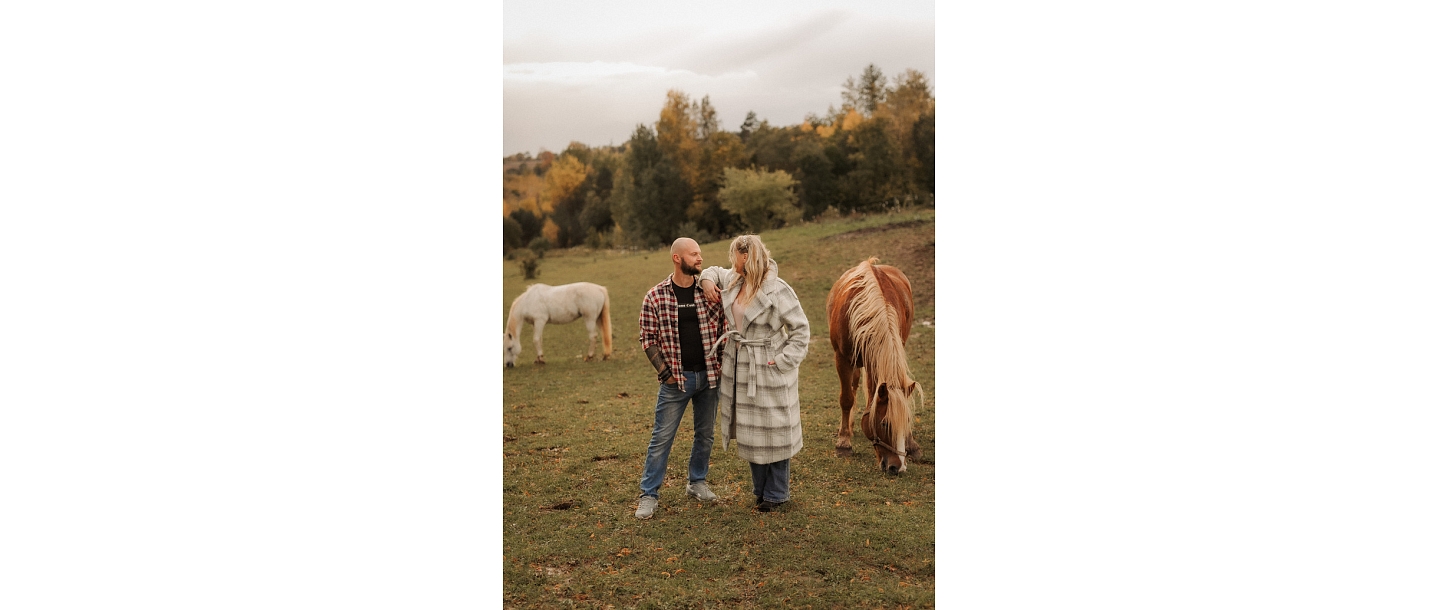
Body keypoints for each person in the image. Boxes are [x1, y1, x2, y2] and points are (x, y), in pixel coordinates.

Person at [698, 234, 810, 512]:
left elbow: (801, 330)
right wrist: (707, 281)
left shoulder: (778, 290)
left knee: (775, 429)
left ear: (746, 257)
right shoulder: (735, 280)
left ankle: (777, 493)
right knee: (751, 431)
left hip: (769, 365)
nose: (731, 260)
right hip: (741, 364)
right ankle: (761, 490)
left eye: (734, 255)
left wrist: (782, 361)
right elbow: (712, 271)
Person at [634, 237, 729, 520]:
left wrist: (720, 365)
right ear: (677, 258)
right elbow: (647, 338)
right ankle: (648, 495)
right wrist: (666, 374)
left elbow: (724, 327)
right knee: (662, 438)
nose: (700, 258)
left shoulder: (709, 292)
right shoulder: (655, 296)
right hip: (676, 381)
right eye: (694, 254)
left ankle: (696, 482)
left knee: (705, 435)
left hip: (709, 379)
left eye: (700, 253)